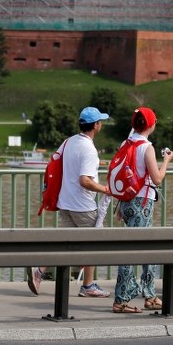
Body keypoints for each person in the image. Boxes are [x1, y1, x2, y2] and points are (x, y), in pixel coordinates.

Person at [27, 106, 112, 298]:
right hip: (83, 206)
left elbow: (55, 163)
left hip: (65, 203)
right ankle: (88, 285)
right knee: (94, 243)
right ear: (96, 125)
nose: (101, 124)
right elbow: (85, 180)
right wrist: (105, 189)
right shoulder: (89, 149)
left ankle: (40, 272)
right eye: (101, 122)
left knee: (63, 244)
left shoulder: (69, 141)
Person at [112, 107, 173, 313]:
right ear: (151, 125)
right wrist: (166, 161)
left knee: (144, 248)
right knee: (136, 251)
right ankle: (121, 299)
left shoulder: (125, 143)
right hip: (142, 203)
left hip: (127, 201)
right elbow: (156, 178)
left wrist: (120, 203)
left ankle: (149, 294)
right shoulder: (146, 147)